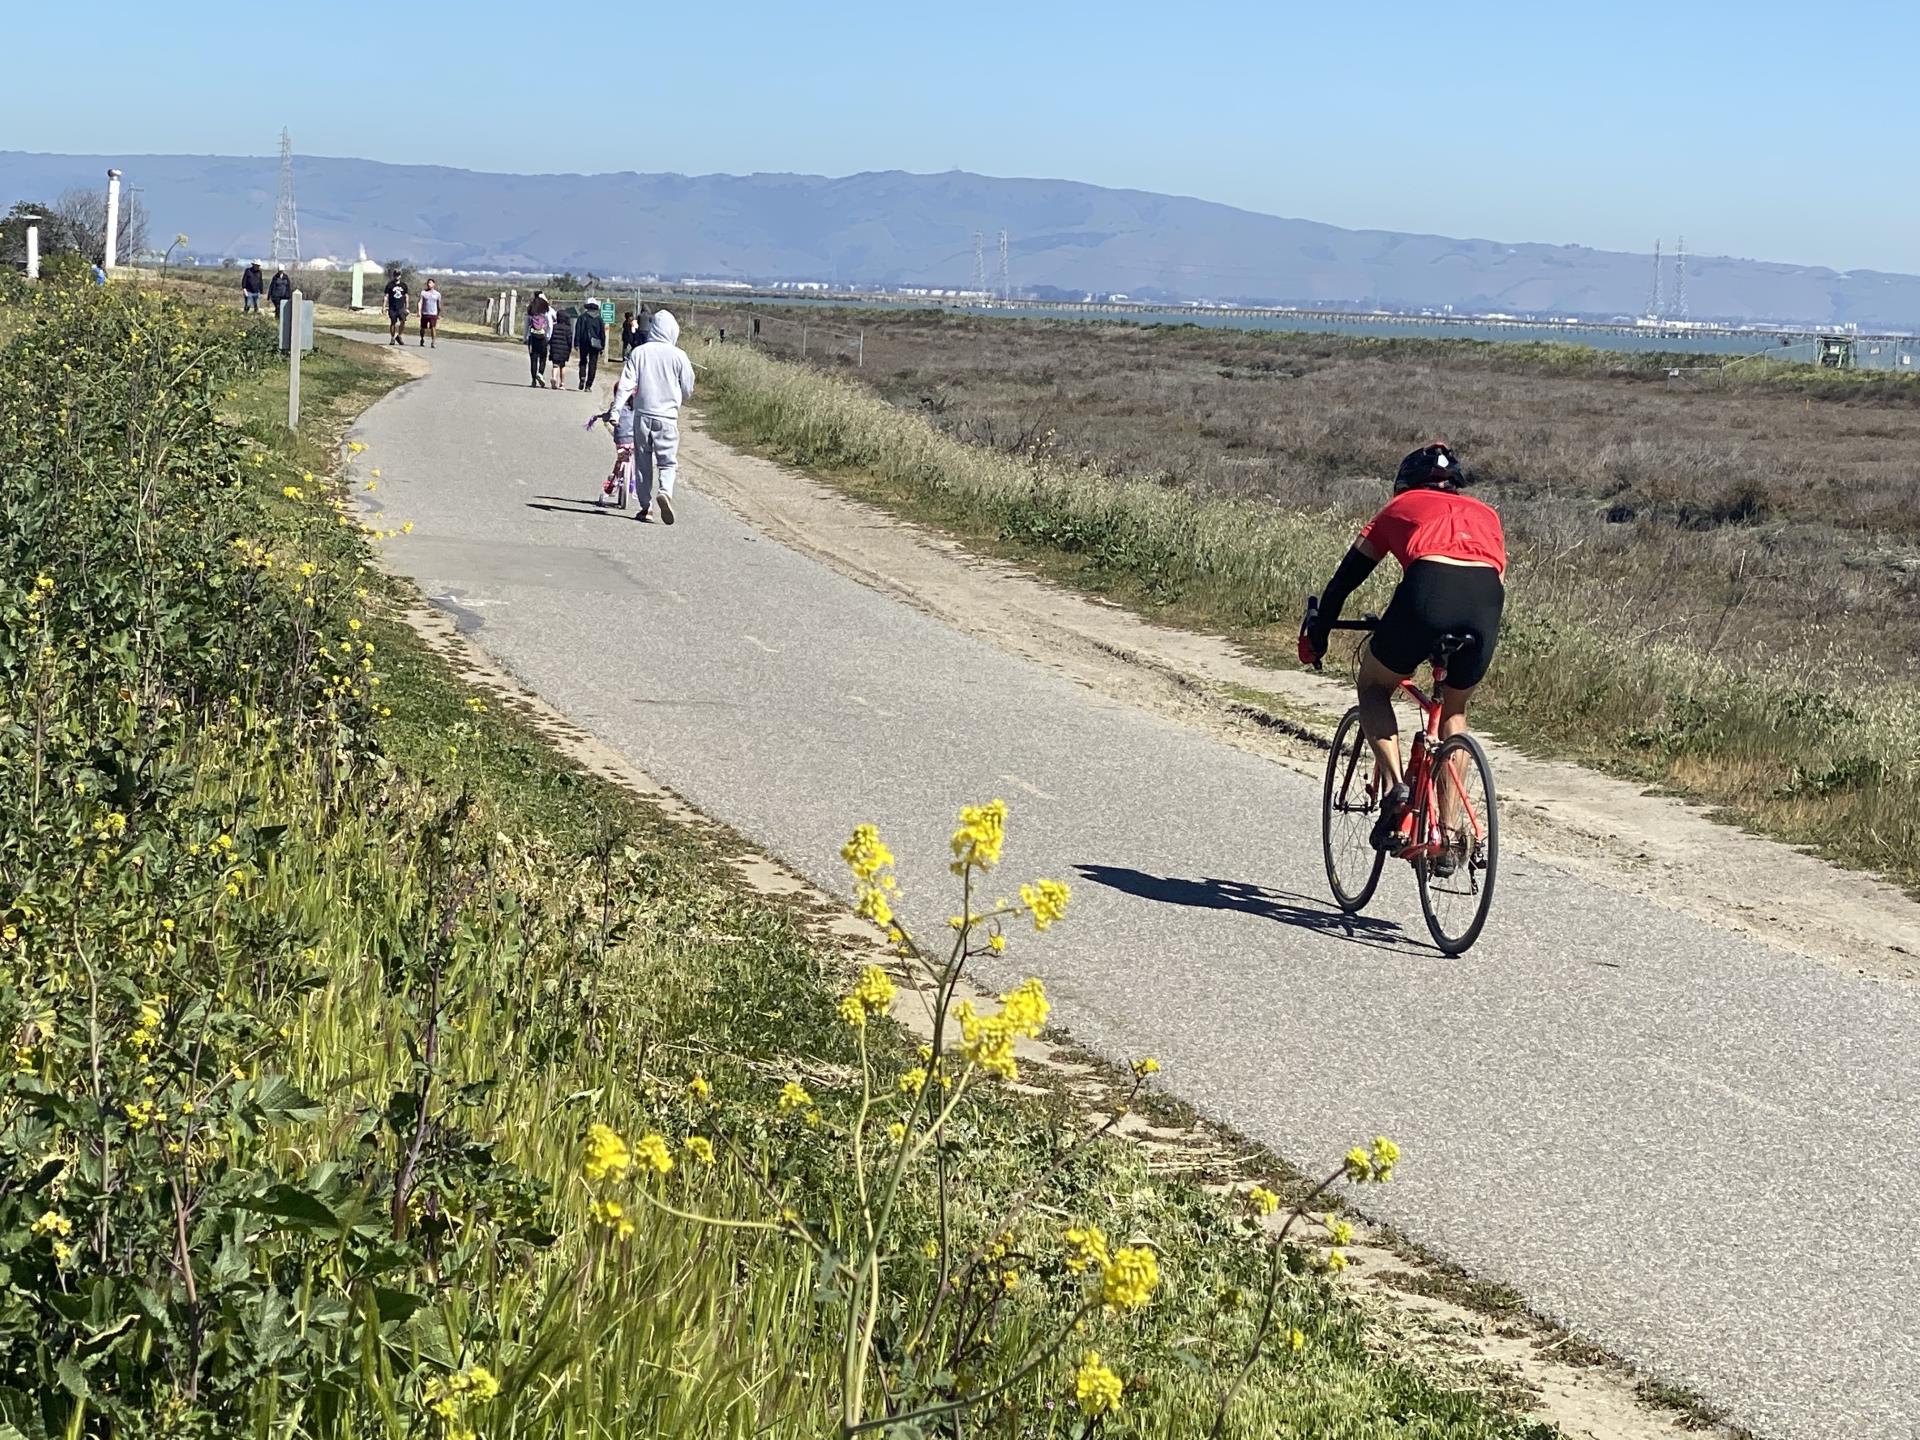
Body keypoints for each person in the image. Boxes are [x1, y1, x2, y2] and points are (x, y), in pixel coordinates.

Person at [1299, 442, 1506, 860]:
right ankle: (1448, 835)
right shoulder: (1487, 514)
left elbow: (1344, 581)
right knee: (1454, 712)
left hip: (1427, 590)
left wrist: (1318, 633)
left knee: (1374, 685)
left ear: (1405, 484)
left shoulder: (1400, 507)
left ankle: (1396, 788)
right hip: (1485, 602)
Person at [604, 308, 696, 525]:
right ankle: (665, 491)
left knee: (643, 462)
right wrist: (678, 396)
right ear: (673, 331)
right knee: (667, 462)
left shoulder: (639, 352)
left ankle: (646, 508)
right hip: (667, 418)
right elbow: (688, 388)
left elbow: (626, 384)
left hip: (642, 415)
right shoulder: (679, 356)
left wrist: (616, 411)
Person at [575, 298, 606, 391]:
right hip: (595, 345)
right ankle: (588, 385)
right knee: (593, 364)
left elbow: (578, 331)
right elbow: (602, 334)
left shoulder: (582, 317)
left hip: (584, 343)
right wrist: (602, 346)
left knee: (583, 361)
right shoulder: (599, 319)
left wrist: (576, 343)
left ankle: (582, 377)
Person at [525, 292, 553, 386]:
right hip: (543, 336)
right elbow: (550, 324)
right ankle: (540, 374)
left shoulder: (531, 308)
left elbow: (527, 324)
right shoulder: (545, 308)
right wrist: (548, 336)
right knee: (543, 357)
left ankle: (533, 380)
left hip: (532, 336)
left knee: (533, 358)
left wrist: (525, 337)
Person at [547, 305, 575, 391]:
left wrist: (550, 346)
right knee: (562, 366)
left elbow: (551, 338)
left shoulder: (555, 327)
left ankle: (554, 377)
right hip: (564, 349)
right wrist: (570, 348)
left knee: (555, 365)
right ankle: (562, 384)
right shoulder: (568, 329)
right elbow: (569, 340)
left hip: (555, 348)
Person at [384, 271, 410, 346]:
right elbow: (386, 296)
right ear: (393, 275)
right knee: (393, 323)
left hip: (401, 307)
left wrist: (407, 307)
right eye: (395, 275)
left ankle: (399, 336)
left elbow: (406, 296)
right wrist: (384, 306)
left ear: (400, 276)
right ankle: (392, 338)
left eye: (398, 275)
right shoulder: (389, 285)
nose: (397, 276)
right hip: (392, 307)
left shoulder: (403, 285)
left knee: (403, 321)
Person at [418, 278, 441, 347]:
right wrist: (419, 311)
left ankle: (433, 342)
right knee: (423, 328)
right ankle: (422, 339)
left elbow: (438, 305)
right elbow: (420, 302)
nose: (429, 284)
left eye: (430, 283)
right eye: (428, 283)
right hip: (425, 313)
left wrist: (438, 314)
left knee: (433, 327)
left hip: (433, 313)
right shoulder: (423, 292)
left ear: (434, 284)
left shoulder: (437, 294)